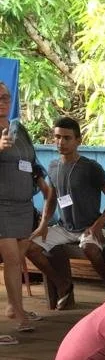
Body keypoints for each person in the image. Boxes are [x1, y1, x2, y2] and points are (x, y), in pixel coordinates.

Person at [25, 116, 105, 308]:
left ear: (78, 140)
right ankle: (63, 285)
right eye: (57, 137)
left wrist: (97, 226)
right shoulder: (53, 166)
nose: (61, 142)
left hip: (91, 226)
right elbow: (51, 199)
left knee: (89, 248)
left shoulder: (91, 168)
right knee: (29, 247)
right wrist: (43, 225)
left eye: (67, 138)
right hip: (64, 228)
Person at [0, 80, 55, 341]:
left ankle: (15, 304)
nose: (3, 102)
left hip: (23, 204)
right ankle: (17, 309)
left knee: (20, 255)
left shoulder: (18, 128)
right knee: (11, 258)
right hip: (1, 205)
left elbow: (31, 159)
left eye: (6, 97)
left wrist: (42, 183)